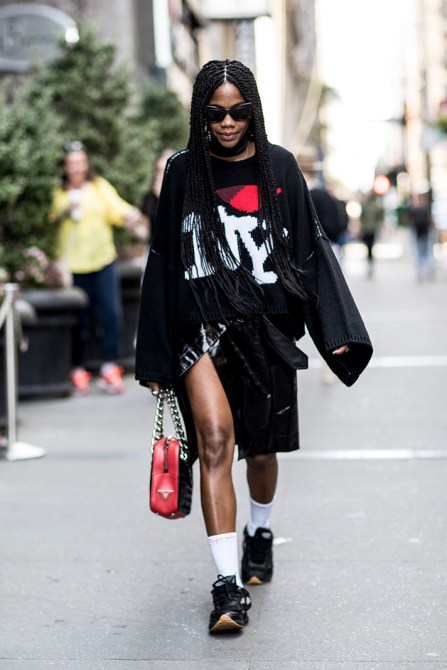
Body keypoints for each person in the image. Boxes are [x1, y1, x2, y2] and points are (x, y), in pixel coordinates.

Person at [135, 60, 372, 634]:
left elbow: (309, 253)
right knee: (216, 441)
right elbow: (162, 261)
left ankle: (259, 531)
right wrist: (155, 355)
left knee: (261, 454)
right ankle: (226, 586)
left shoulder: (279, 168)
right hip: (200, 331)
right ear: (201, 114)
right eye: (215, 112)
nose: (226, 122)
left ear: (253, 111)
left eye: (238, 111)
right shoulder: (184, 170)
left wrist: (335, 332)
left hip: (265, 330)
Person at [51, 141, 146, 395]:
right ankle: (78, 370)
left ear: (86, 164)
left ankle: (110, 367)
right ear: (65, 167)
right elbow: (47, 220)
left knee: (111, 315)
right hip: (73, 266)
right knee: (79, 321)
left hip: (102, 261)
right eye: (72, 163)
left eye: (80, 162)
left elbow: (117, 208)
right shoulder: (58, 194)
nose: (77, 167)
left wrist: (132, 216)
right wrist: (64, 211)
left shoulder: (99, 187)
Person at [140, 148, 175, 242]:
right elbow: (147, 233)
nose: (158, 176)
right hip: (155, 247)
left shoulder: (183, 196)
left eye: (163, 171)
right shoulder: (149, 197)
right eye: (157, 170)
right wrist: (133, 226)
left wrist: (162, 198)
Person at [407, 196, 435, 281]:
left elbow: (409, 221)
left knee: (419, 253)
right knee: (426, 251)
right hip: (425, 233)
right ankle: (429, 267)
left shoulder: (414, 210)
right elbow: (431, 220)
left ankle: (421, 272)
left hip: (418, 234)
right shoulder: (425, 210)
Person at [359, 189, 383, 278]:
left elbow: (379, 217)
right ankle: (369, 263)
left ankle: (370, 264)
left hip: (372, 229)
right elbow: (362, 218)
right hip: (366, 229)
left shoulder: (375, 206)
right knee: (368, 247)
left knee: (371, 247)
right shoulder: (364, 205)